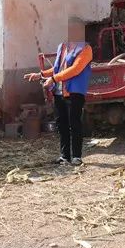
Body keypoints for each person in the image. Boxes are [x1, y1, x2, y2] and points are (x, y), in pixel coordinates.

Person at [24, 38, 93, 166]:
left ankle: (76, 157)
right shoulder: (62, 47)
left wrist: (54, 79)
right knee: (62, 125)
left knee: (75, 123)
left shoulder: (85, 49)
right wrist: (41, 74)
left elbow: (75, 69)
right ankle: (64, 156)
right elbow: (58, 69)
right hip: (59, 91)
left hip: (74, 92)